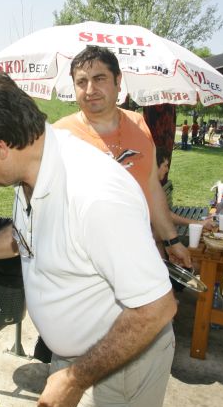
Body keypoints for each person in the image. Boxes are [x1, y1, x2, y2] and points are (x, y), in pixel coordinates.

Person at [0, 68, 177, 407]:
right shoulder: (35, 171)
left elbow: (156, 308)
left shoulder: (95, 196)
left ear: (0, 147)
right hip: (79, 358)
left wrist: (75, 379)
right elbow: (24, 236)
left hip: (118, 368)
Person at [53, 45, 191, 268]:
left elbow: (152, 187)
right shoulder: (60, 134)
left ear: (118, 81)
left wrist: (172, 240)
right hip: (84, 261)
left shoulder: (139, 123)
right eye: (81, 82)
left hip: (137, 251)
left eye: (99, 79)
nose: (90, 90)